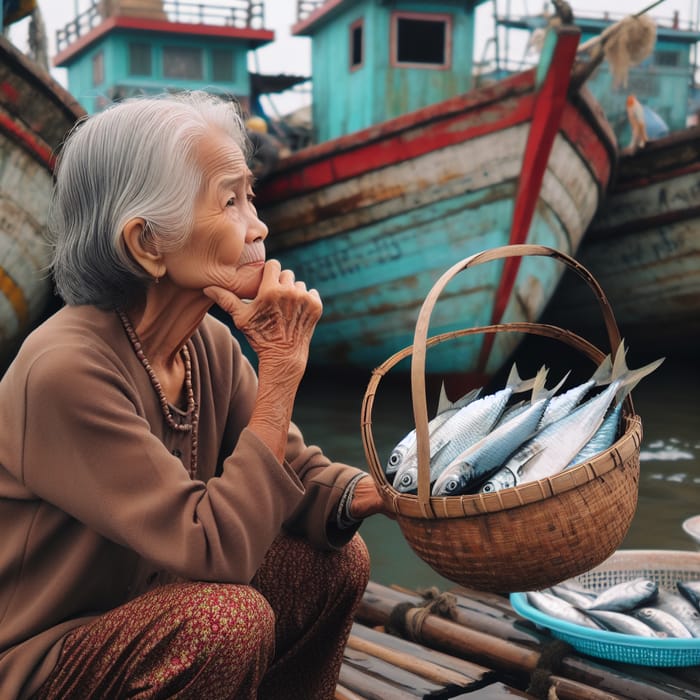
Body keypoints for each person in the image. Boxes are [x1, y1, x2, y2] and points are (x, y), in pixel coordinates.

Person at [0, 91, 390, 699]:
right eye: (229, 201)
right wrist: (283, 369)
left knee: (335, 560)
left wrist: (392, 496)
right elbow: (215, 551)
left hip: (153, 611)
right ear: (146, 244)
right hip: (43, 667)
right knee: (228, 620)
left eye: (250, 196)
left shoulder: (205, 342)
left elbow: (289, 473)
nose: (258, 225)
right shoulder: (65, 370)